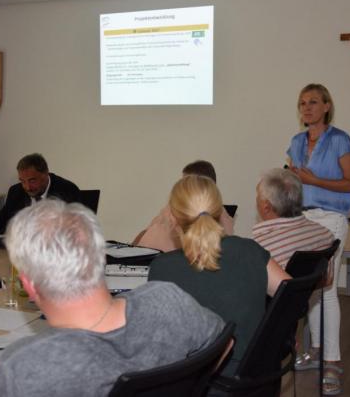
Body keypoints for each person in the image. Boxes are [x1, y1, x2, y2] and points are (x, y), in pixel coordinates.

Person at [0, 200, 225, 396]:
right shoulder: (168, 301)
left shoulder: (23, 368)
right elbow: (224, 344)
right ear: (101, 256)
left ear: (28, 285)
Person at [148, 175, 290, 376]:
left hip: (197, 384)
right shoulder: (250, 251)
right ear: (219, 211)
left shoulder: (162, 268)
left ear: (172, 216)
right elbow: (292, 297)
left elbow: (161, 342)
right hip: (257, 377)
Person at [286, 83, 350, 395]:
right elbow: (292, 180)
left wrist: (314, 180)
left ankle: (332, 362)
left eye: (313, 102)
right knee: (309, 292)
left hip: (330, 219)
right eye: (302, 103)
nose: (307, 108)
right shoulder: (296, 141)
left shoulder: (340, 139)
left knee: (327, 289)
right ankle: (315, 353)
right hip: (302, 218)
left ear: (327, 106)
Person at [251, 168, 335, 376]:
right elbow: (327, 279)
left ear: (266, 206)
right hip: (286, 329)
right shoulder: (324, 234)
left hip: (258, 334)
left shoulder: (260, 247)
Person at [133, 160, 234, 251]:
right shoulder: (170, 209)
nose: (182, 189)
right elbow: (147, 231)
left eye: (186, 184)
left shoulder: (220, 218)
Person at [0, 153, 80, 235]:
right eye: (23, 181)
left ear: (46, 174)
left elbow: (72, 230)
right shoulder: (16, 191)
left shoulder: (66, 190)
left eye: (32, 181)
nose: (27, 187)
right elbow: (1, 221)